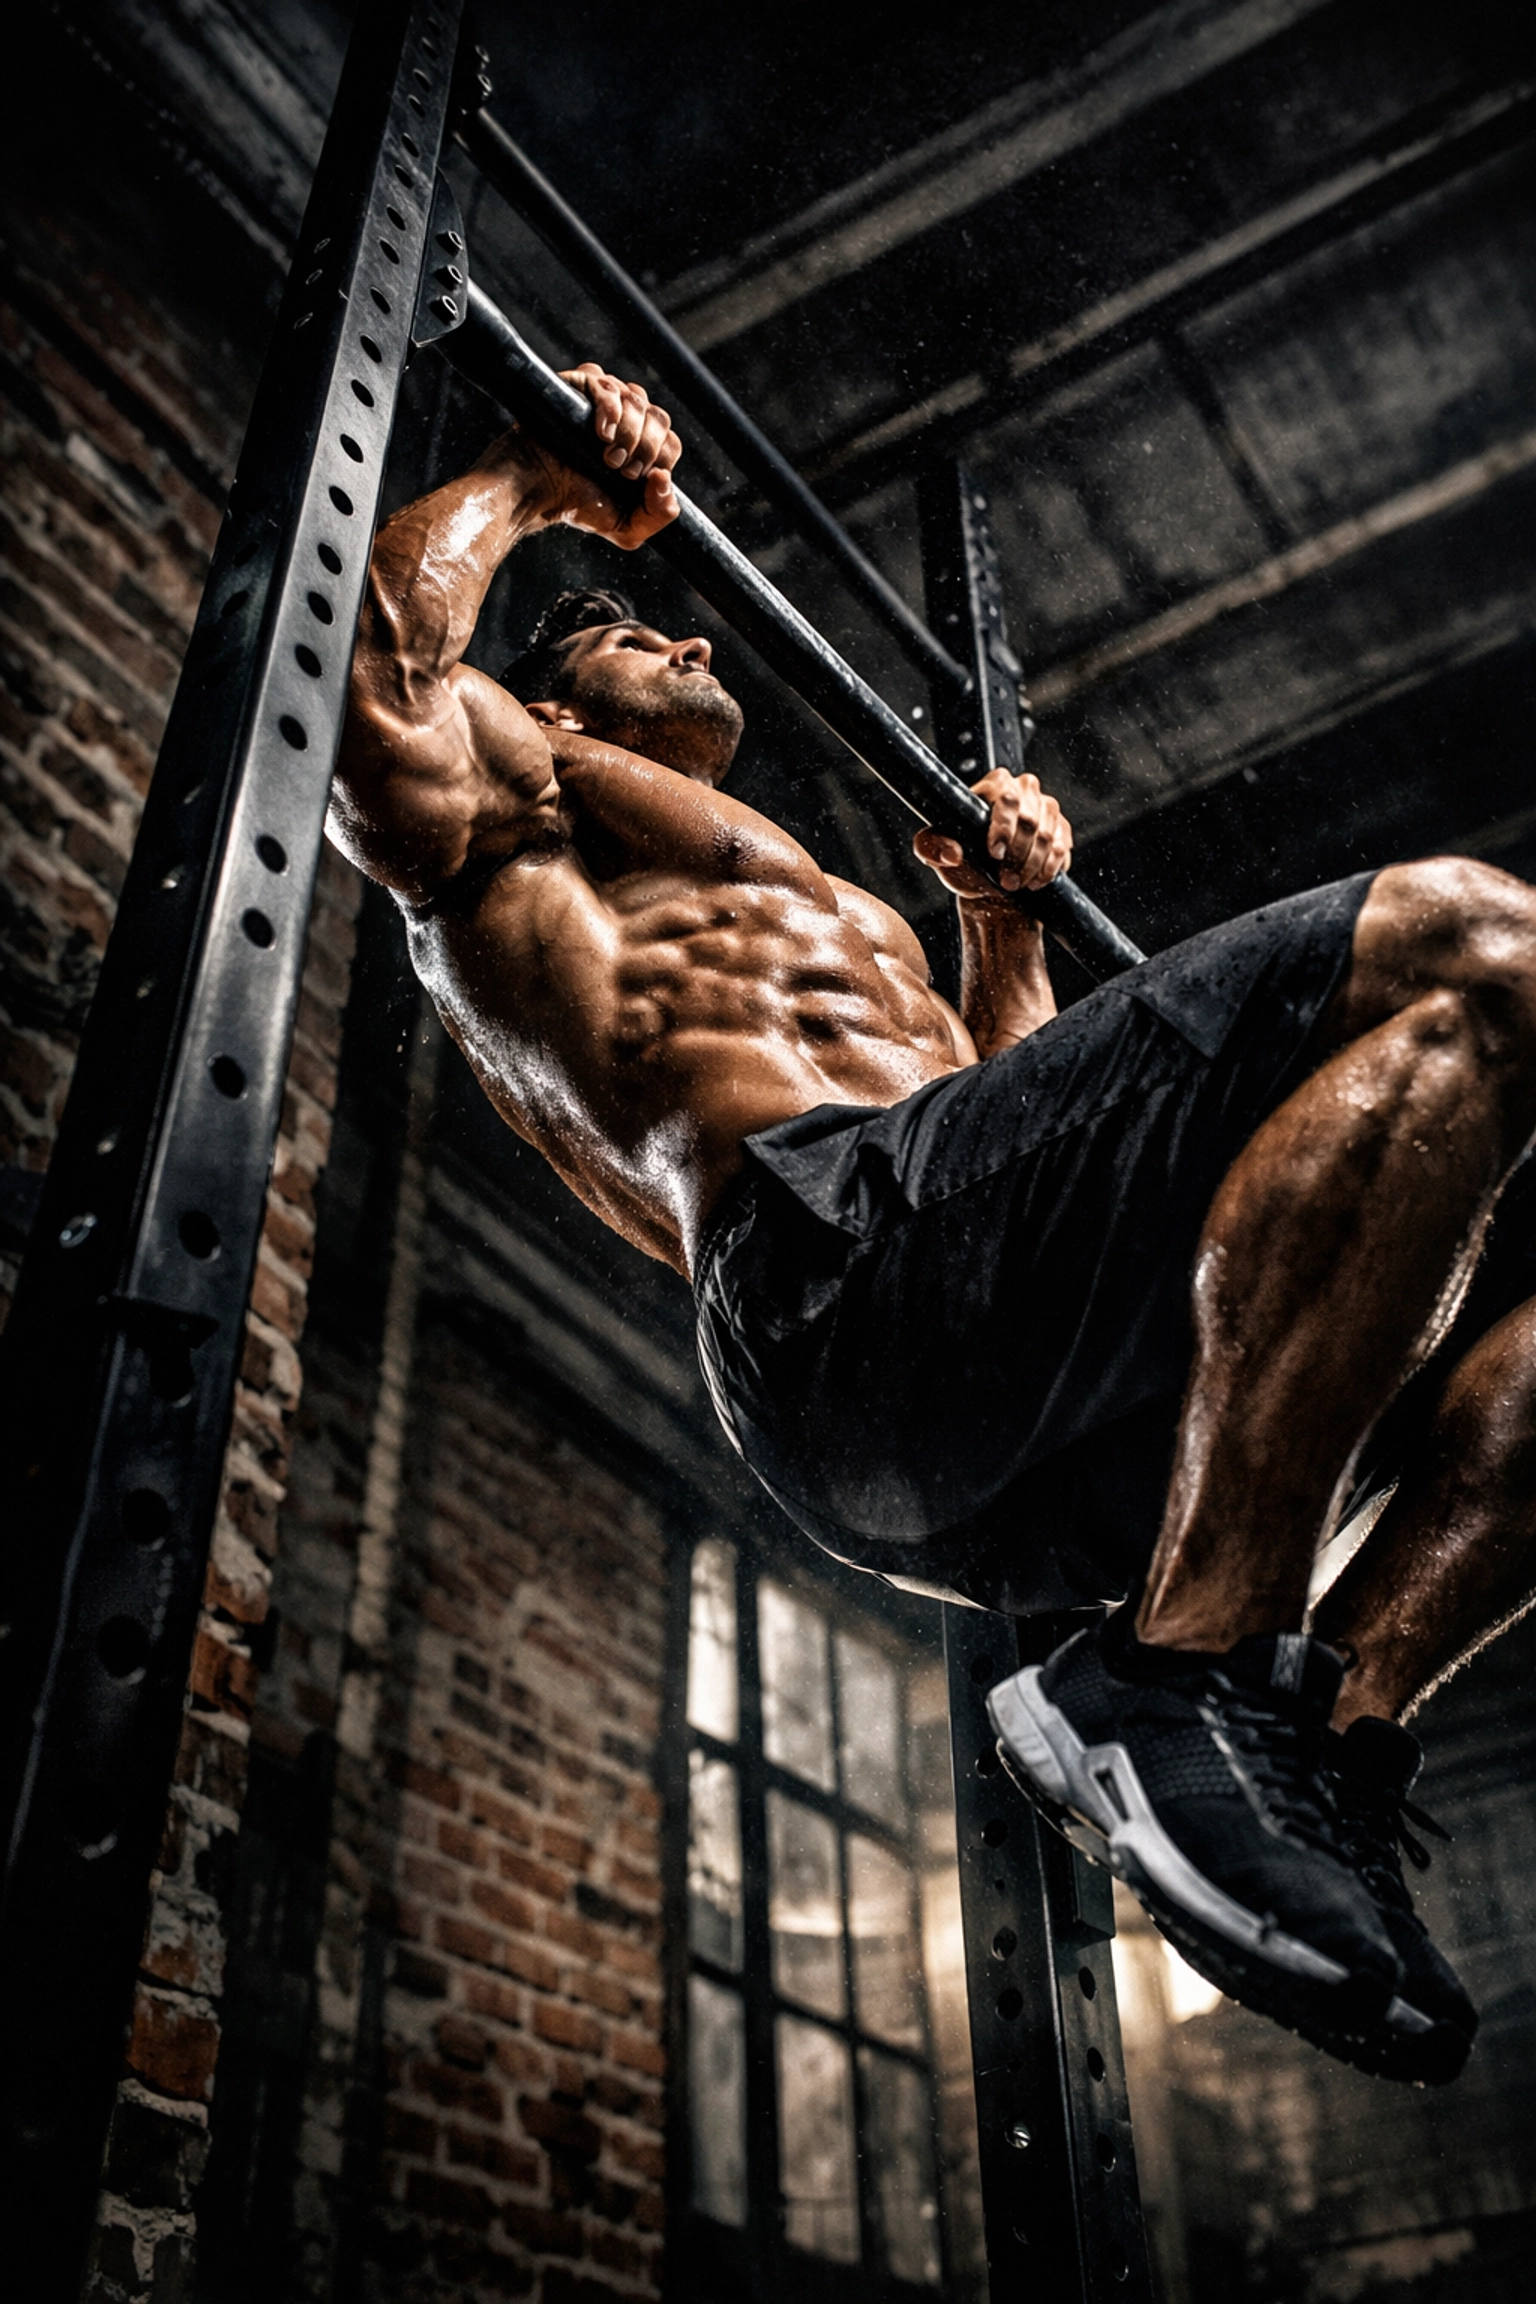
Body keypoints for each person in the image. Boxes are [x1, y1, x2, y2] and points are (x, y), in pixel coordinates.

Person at [338, 362, 1536, 2085]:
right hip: (831, 1288)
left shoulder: (820, 897)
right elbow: (368, 685)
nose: (685, 643)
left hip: (998, 1406)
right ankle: (1182, 1680)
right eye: (619, 633)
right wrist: (535, 477)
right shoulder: (529, 812)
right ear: (555, 703)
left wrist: (997, 929)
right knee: (1481, 944)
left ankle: (1315, 1730)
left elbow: (1027, 1126)